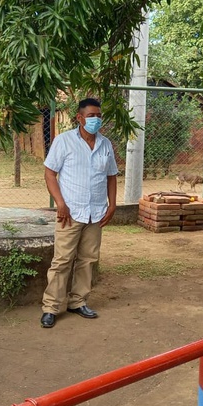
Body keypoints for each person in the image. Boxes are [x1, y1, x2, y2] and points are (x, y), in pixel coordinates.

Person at [40, 98, 118, 328]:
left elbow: (111, 176)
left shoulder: (105, 144)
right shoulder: (64, 142)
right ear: (80, 118)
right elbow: (49, 174)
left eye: (99, 115)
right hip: (70, 213)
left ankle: (78, 301)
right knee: (62, 260)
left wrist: (112, 205)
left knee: (88, 260)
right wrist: (60, 203)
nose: (96, 120)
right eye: (92, 115)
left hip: (96, 213)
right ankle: (51, 307)